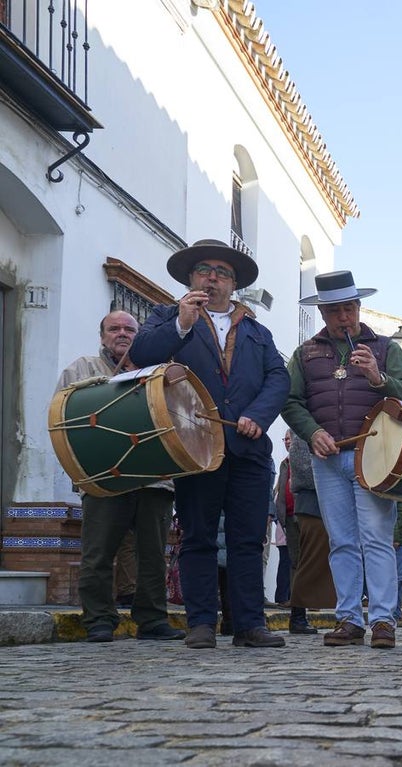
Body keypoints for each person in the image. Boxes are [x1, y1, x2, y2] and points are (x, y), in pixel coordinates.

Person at [131, 240, 289, 649]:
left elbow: (278, 378)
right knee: (198, 536)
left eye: (222, 272)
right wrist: (181, 324)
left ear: (234, 284)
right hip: (195, 445)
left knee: (247, 539)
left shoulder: (257, 331)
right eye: (204, 270)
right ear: (191, 278)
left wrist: (258, 415)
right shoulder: (168, 317)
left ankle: (250, 624)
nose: (213, 277)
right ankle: (201, 622)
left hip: (248, 446)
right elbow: (141, 354)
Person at [280, 270, 402, 650]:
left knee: (376, 538)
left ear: (359, 307)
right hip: (328, 460)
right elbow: (290, 401)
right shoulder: (306, 353)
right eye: (334, 311)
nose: (344, 317)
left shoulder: (386, 349)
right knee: (341, 541)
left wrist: (378, 378)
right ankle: (348, 619)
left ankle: (382, 621)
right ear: (324, 314)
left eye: (349, 308)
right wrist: (313, 433)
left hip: (373, 456)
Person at [56, 310, 184, 643]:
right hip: (103, 478)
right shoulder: (81, 369)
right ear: (102, 336)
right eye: (114, 329)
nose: (122, 334)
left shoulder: (158, 372)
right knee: (98, 552)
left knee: (153, 554)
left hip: (155, 478)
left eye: (130, 329)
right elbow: (64, 421)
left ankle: (153, 619)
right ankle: (98, 619)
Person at [284, 426, 336, 628]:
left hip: (325, 498)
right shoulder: (302, 428)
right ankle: (297, 616)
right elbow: (301, 467)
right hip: (311, 500)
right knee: (309, 558)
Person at [274, 431, 319, 634]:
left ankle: (302, 614)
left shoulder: (304, 454)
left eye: (290, 437)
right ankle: (298, 617)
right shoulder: (285, 462)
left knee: (305, 565)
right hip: (292, 517)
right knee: (297, 565)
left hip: (307, 512)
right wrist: (281, 516)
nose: (288, 441)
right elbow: (280, 491)